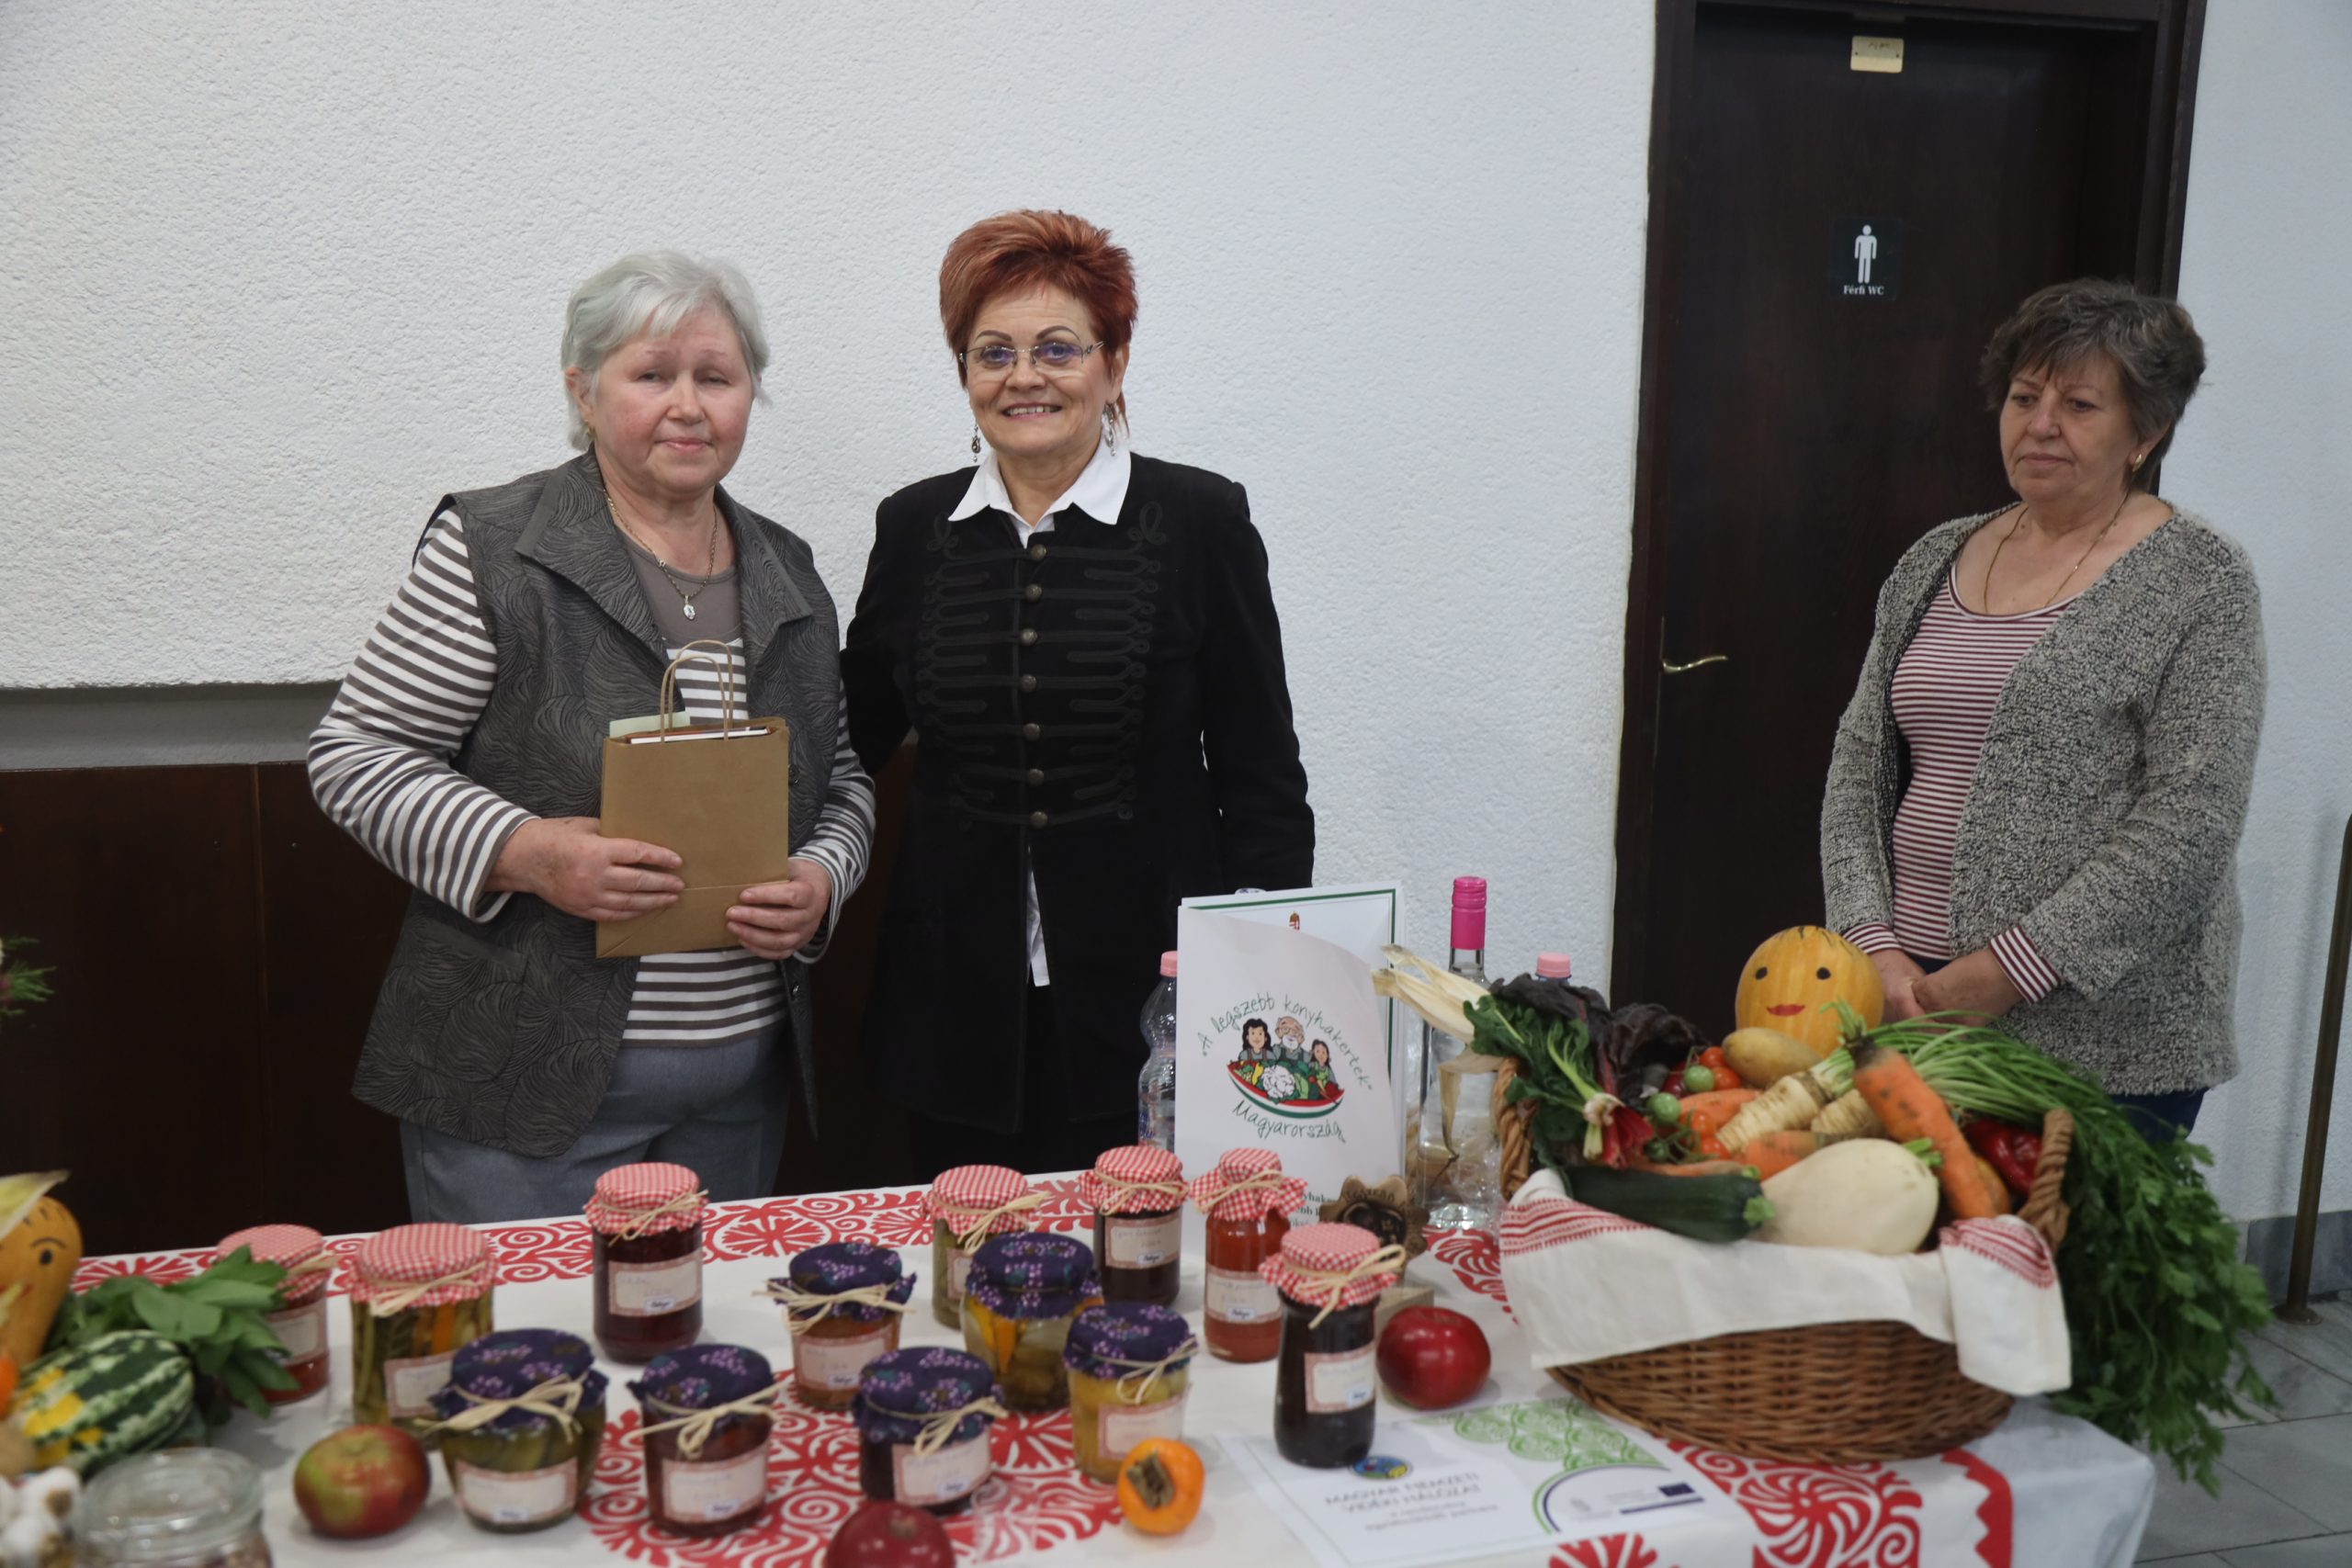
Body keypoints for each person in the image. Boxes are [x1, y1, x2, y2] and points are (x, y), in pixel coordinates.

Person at [311, 252, 875, 1221]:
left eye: (717, 376)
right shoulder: (495, 546)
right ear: (584, 390)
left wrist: (822, 879)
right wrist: (528, 852)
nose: (688, 406)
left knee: (700, 1323)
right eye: (652, 374)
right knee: (530, 1323)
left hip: (739, 1090)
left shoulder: (787, 567)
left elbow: (845, 781)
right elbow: (356, 755)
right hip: (521, 1080)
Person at [843, 209, 1315, 1179]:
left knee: (1139, 1251)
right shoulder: (913, 527)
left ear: (1114, 361)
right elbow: (852, 729)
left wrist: (1263, 983)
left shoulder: (1200, 519)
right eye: (993, 352)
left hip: (1153, 1001)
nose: (1024, 376)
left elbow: (1261, 776)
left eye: (1058, 348)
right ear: (965, 372)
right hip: (954, 1003)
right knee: (970, 1247)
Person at [1821, 278, 2263, 1140]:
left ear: (2147, 432)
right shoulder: (1935, 556)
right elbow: (1858, 768)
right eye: (2025, 398)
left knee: (2066, 1235)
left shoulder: (2202, 580)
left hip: (2106, 1040)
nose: (2041, 424)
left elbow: (2192, 819)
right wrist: (1871, 945)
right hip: (1912, 1005)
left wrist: (2006, 970)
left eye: (2080, 404)